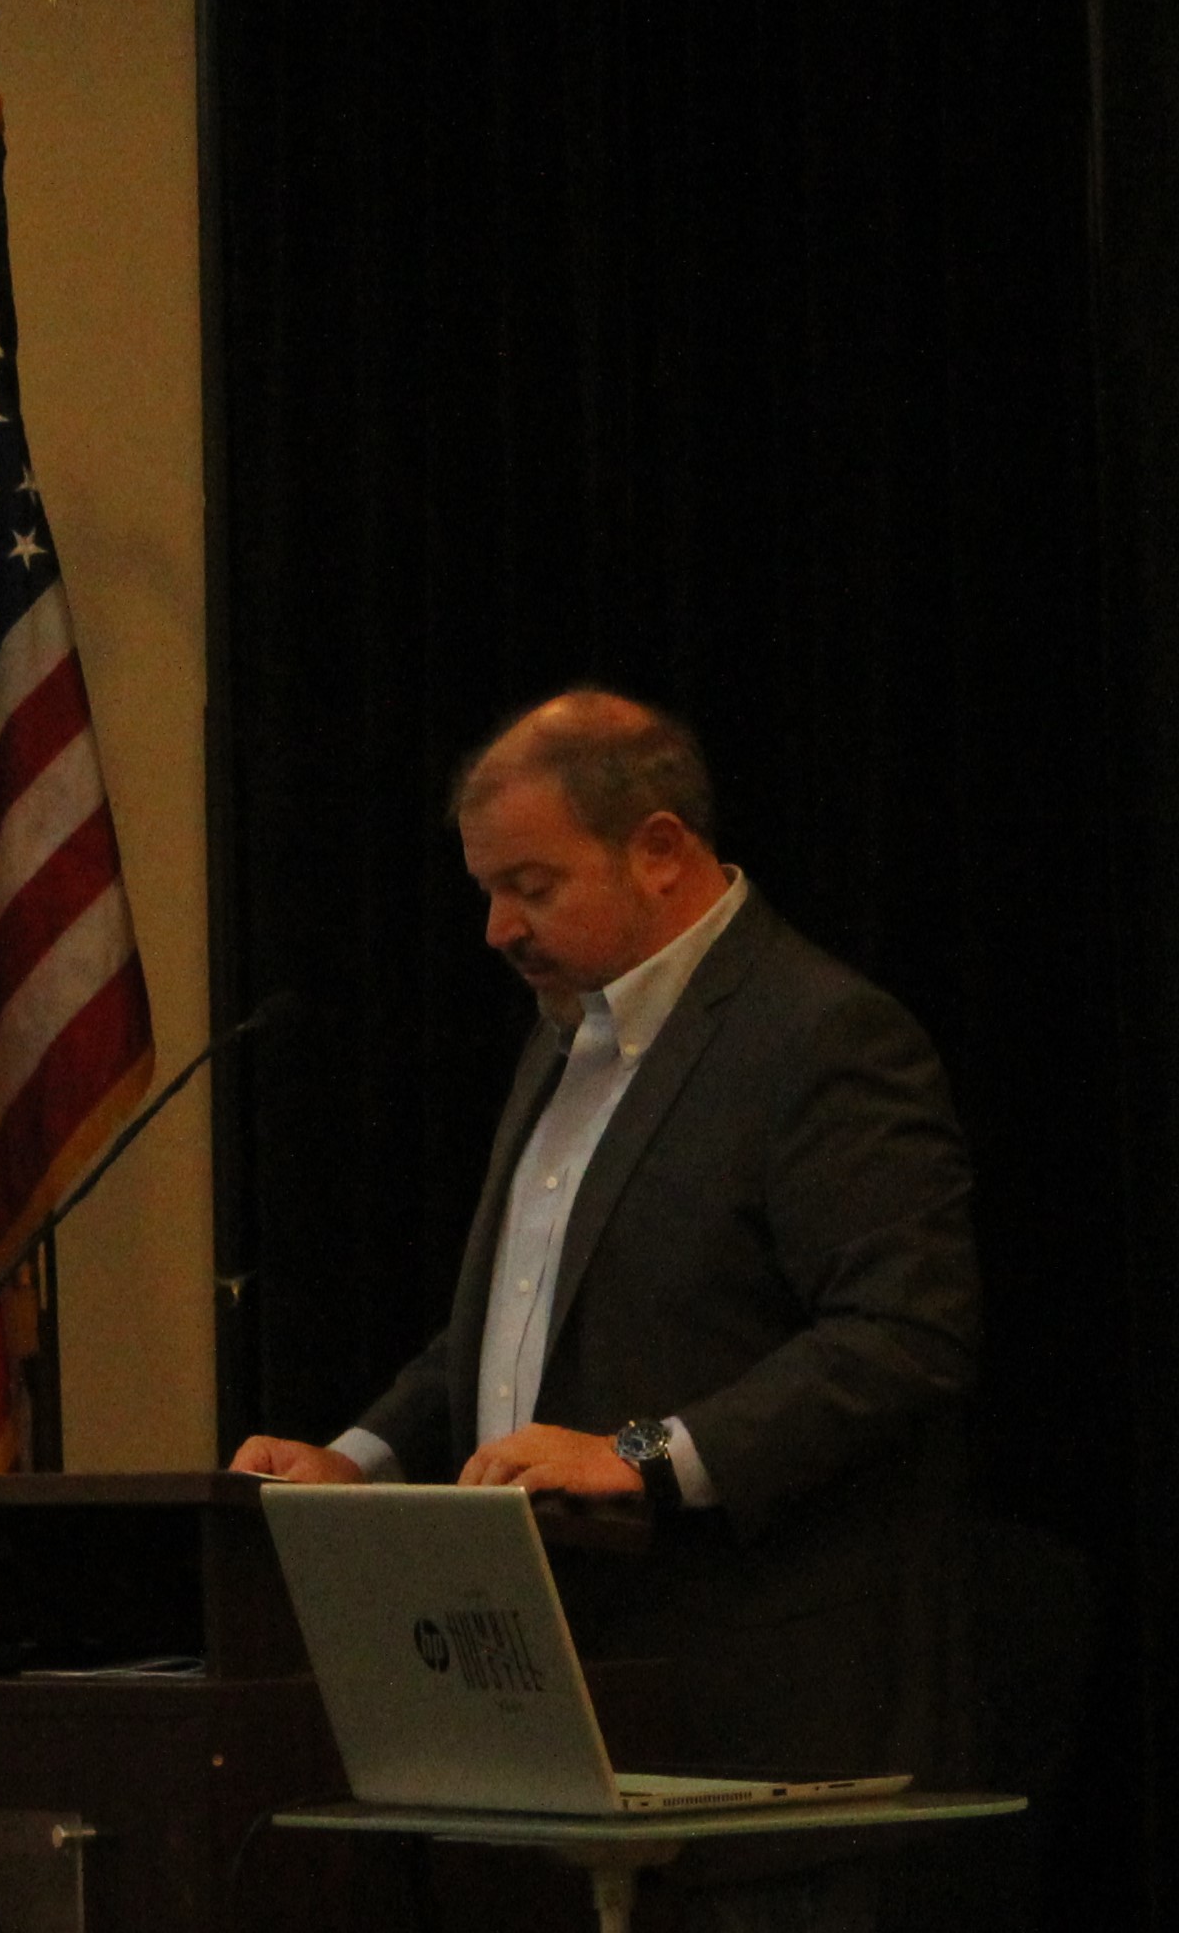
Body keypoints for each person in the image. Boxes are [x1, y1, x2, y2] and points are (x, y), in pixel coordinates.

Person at [233, 690, 980, 1927]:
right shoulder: (562, 1039)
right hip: (557, 1722)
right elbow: (504, 1324)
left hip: (760, 1744)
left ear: (660, 851)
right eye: (486, 889)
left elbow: (903, 1334)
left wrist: (639, 1455)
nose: (494, 929)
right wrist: (357, 1460)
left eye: (528, 886)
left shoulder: (820, 1035)